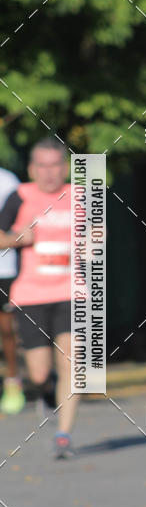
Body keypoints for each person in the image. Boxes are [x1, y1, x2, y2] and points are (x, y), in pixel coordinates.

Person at [0, 138, 78, 457]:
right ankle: (45, 388)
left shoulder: (81, 196)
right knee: (39, 372)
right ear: (32, 169)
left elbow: (100, 233)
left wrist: (93, 240)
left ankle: (63, 434)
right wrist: (20, 238)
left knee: (73, 364)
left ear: (66, 168)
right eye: (42, 166)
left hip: (72, 292)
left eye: (55, 165)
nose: (49, 173)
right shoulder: (20, 196)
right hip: (30, 293)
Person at [0, 166, 26, 413]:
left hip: (4, 268)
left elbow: (20, 223)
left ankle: (13, 380)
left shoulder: (7, 181)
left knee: (7, 329)